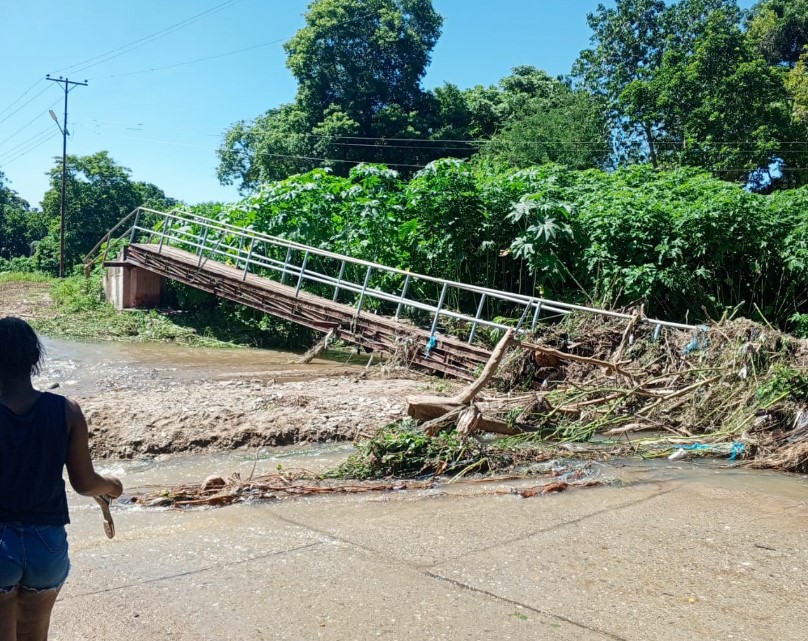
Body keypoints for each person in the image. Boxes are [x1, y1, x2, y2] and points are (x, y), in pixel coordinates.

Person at [0, 316, 122, 641]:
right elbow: (84, 484)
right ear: (34, 359)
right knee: (34, 634)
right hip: (45, 545)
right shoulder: (67, 411)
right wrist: (112, 486)